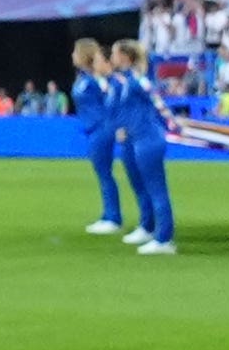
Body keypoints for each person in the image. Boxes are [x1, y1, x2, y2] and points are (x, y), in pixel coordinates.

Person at [111, 38, 175, 256]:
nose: (112, 58)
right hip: (139, 138)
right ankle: (151, 229)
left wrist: (173, 124)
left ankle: (164, 239)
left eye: (115, 54)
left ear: (125, 57)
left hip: (149, 139)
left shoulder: (138, 80)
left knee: (157, 190)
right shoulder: (128, 80)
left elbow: (158, 101)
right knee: (148, 188)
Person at [73, 37, 125, 235]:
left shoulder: (97, 80)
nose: (73, 56)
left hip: (102, 128)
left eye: (76, 52)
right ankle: (108, 214)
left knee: (105, 173)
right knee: (102, 173)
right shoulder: (83, 79)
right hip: (93, 129)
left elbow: (113, 99)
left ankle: (113, 217)